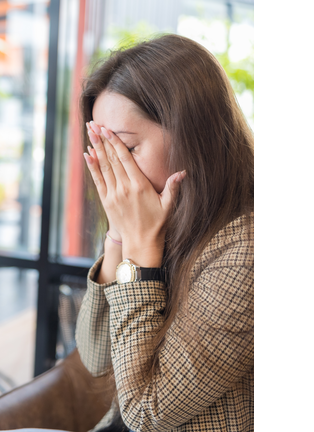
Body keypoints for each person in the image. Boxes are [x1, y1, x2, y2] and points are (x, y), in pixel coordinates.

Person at [75, 34, 253, 431]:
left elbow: (146, 411)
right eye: (101, 153)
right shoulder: (159, 224)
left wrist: (140, 251)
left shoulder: (247, 252)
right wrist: (120, 237)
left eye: (123, 149)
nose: (109, 171)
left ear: (195, 135)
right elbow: (95, 356)